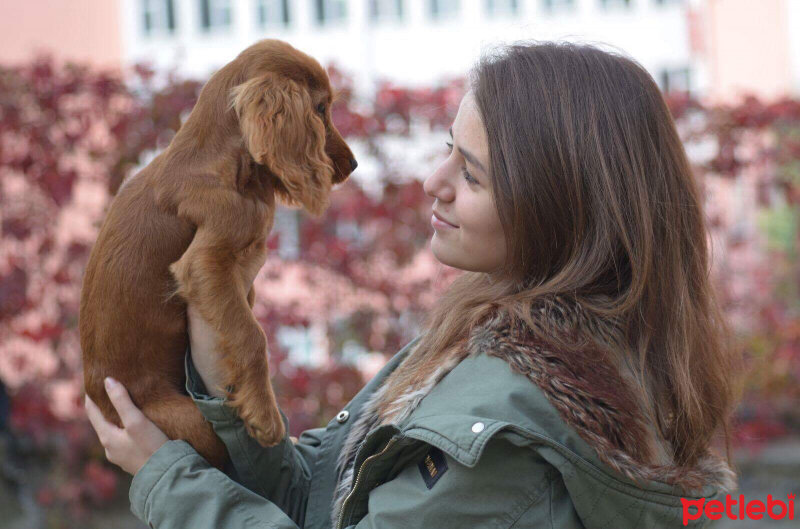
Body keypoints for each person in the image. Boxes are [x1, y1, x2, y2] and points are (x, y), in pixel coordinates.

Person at [85, 41, 742, 528]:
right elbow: (325, 497)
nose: (435, 180)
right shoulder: (485, 335)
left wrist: (167, 479)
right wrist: (218, 376)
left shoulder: (510, 430)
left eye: (474, 174)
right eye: (447, 144)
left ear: (558, 207)